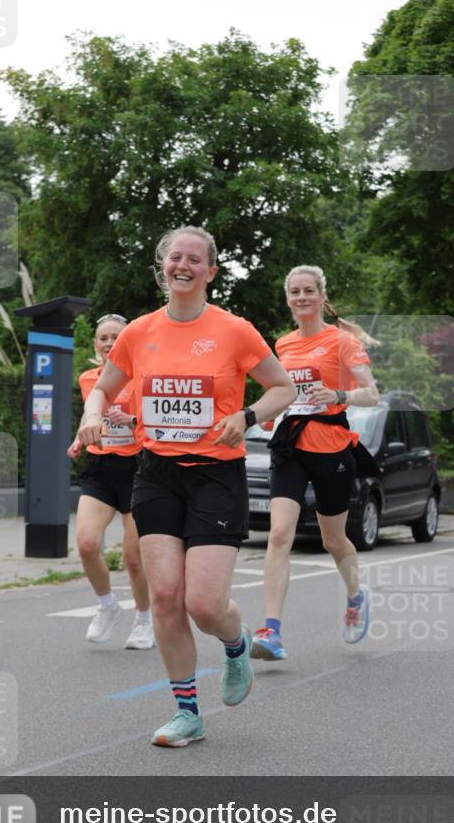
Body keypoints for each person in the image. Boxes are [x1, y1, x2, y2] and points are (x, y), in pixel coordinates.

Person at [78, 226, 295, 747]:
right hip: (156, 473)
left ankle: (235, 643)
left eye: (194, 259)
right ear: (163, 267)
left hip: (216, 475)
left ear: (210, 272)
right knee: (168, 598)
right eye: (175, 257)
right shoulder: (138, 332)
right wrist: (91, 413)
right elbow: (104, 389)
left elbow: (282, 387)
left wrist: (246, 415)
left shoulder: (235, 330)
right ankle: (187, 712)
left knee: (203, 602)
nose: (183, 265)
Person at [251, 265, 380, 662]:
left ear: (322, 297)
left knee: (332, 540)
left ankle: (356, 597)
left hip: (331, 447)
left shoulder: (342, 342)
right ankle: (271, 632)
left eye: (309, 290)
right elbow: (280, 392)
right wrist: (269, 414)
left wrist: (339, 394)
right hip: (289, 445)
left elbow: (372, 394)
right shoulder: (283, 344)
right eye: (295, 291)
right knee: (278, 535)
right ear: (288, 299)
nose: (302, 297)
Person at [67, 314, 153, 648]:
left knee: (134, 558)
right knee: (87, 544)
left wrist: (131, 420)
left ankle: (144, 619)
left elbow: (155, 425)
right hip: (100, 468)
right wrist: (79, 439)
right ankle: (107, 605)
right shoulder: (88, 379)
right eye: (103, 338)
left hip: (138, 470)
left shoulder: (143, 377)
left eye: (116, 337)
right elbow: (91, 418)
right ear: (95, 344)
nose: (109, 343)